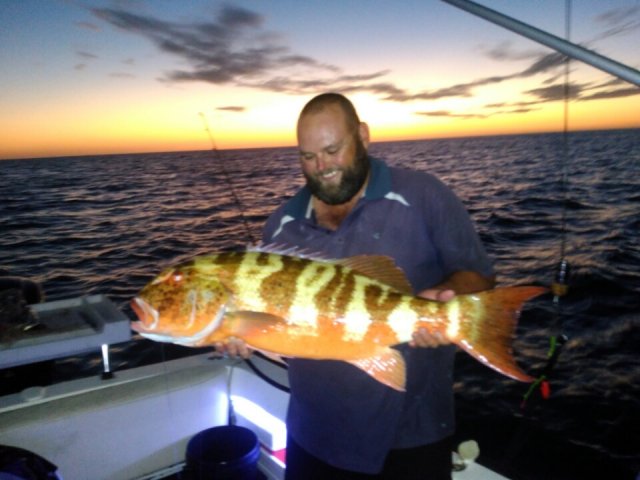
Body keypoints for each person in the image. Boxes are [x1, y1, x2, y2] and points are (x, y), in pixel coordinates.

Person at [217, 92, 495, 479]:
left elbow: (478, 277)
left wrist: (447, 298)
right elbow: (285, 333)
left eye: (332, 150)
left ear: (363, 137)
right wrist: (241, 335)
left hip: (412, 433)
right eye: (308, 157)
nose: (322, 168)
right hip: (314, 434)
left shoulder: (424, 195)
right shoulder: (280, 225)